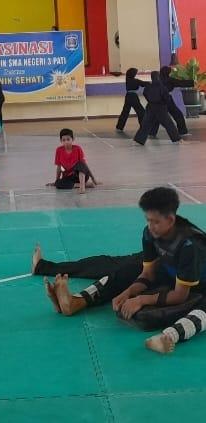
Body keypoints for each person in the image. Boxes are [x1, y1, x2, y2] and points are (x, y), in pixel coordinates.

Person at [50, 188, 206, 329]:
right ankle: (76, 302)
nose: (150, 226)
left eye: (156, 222)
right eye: (148, 220)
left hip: (195, 287)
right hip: (172, 271)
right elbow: (147, 274)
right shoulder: (149, 232)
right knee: (127, 270)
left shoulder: (189, 245)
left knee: (155, 316)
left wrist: (141, 300)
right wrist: (127, 293)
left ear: (171, 220)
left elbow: (180, 295)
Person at [134, 72, 182, 145]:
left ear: (152, 78)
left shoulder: (148, 87)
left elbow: (145, 94)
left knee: (146, 124)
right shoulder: (162, 87)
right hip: (160, 108)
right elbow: (167, 98)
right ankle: (176, 139)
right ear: (158, 77)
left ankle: (139, 141)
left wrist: (150, 101)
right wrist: (164, 103)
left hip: (150, 107)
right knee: (169, 124)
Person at [47, 128, 97, 194]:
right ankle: (83, 185)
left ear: (73, 139)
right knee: (58, 183)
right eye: (63, 140)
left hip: (80, 175)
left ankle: (82, 187)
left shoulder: (77, 149)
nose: (66, 142)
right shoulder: (59, 150)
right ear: (61, 141)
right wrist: (57, 180)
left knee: (80, 163)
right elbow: (59, 167)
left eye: (68, 139)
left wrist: (93, 179)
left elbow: (84, 165)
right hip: (69, 177)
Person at [150, 65, 194, 137]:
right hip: (167, 99)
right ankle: (182, 132)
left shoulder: (158, 80)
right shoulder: (169, 80)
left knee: (158, 116)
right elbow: (181, 83)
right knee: (178, 115)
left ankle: (152, 133)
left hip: (159, 100)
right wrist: (193, 82)